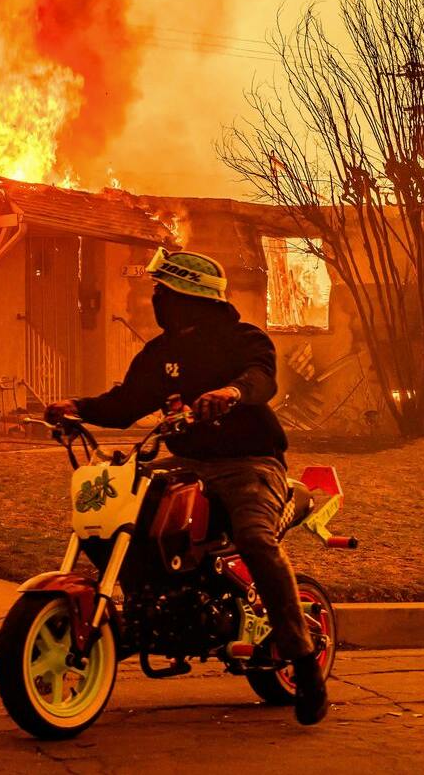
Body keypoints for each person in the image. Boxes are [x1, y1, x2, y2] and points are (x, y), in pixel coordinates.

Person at [46, 247, 330, 726]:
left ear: (188, 297)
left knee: (257, 541)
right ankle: (147, 607)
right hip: (189, 461)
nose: (155, 300)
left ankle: (304, 663)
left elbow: (262, 379)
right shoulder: (160, 354)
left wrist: (231, 393)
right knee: (127, 512)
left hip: (248, 462)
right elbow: (126, 403)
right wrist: (77, 406)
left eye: (163, 292)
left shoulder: (244, 339)